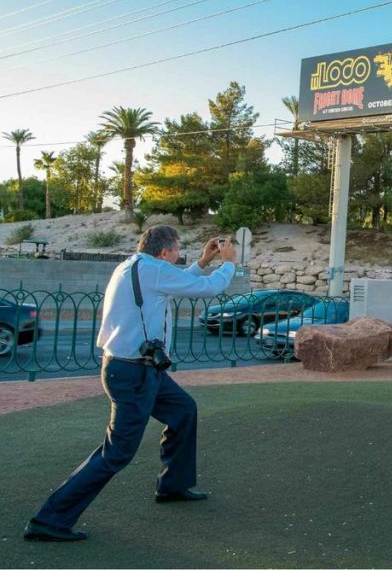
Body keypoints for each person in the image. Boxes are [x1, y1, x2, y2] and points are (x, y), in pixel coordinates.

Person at [23, 226, 237, 542]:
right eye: (177, 250)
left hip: (140, 370)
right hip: (134, 372)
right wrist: (229, 263)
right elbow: (204, 289)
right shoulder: (152, 270)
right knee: (118, 452)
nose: (179, 256)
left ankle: (173, 485)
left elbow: (176, 283)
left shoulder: (135, 266)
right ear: (164, 252)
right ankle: (49, 519)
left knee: (183, 411)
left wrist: (204, 261)